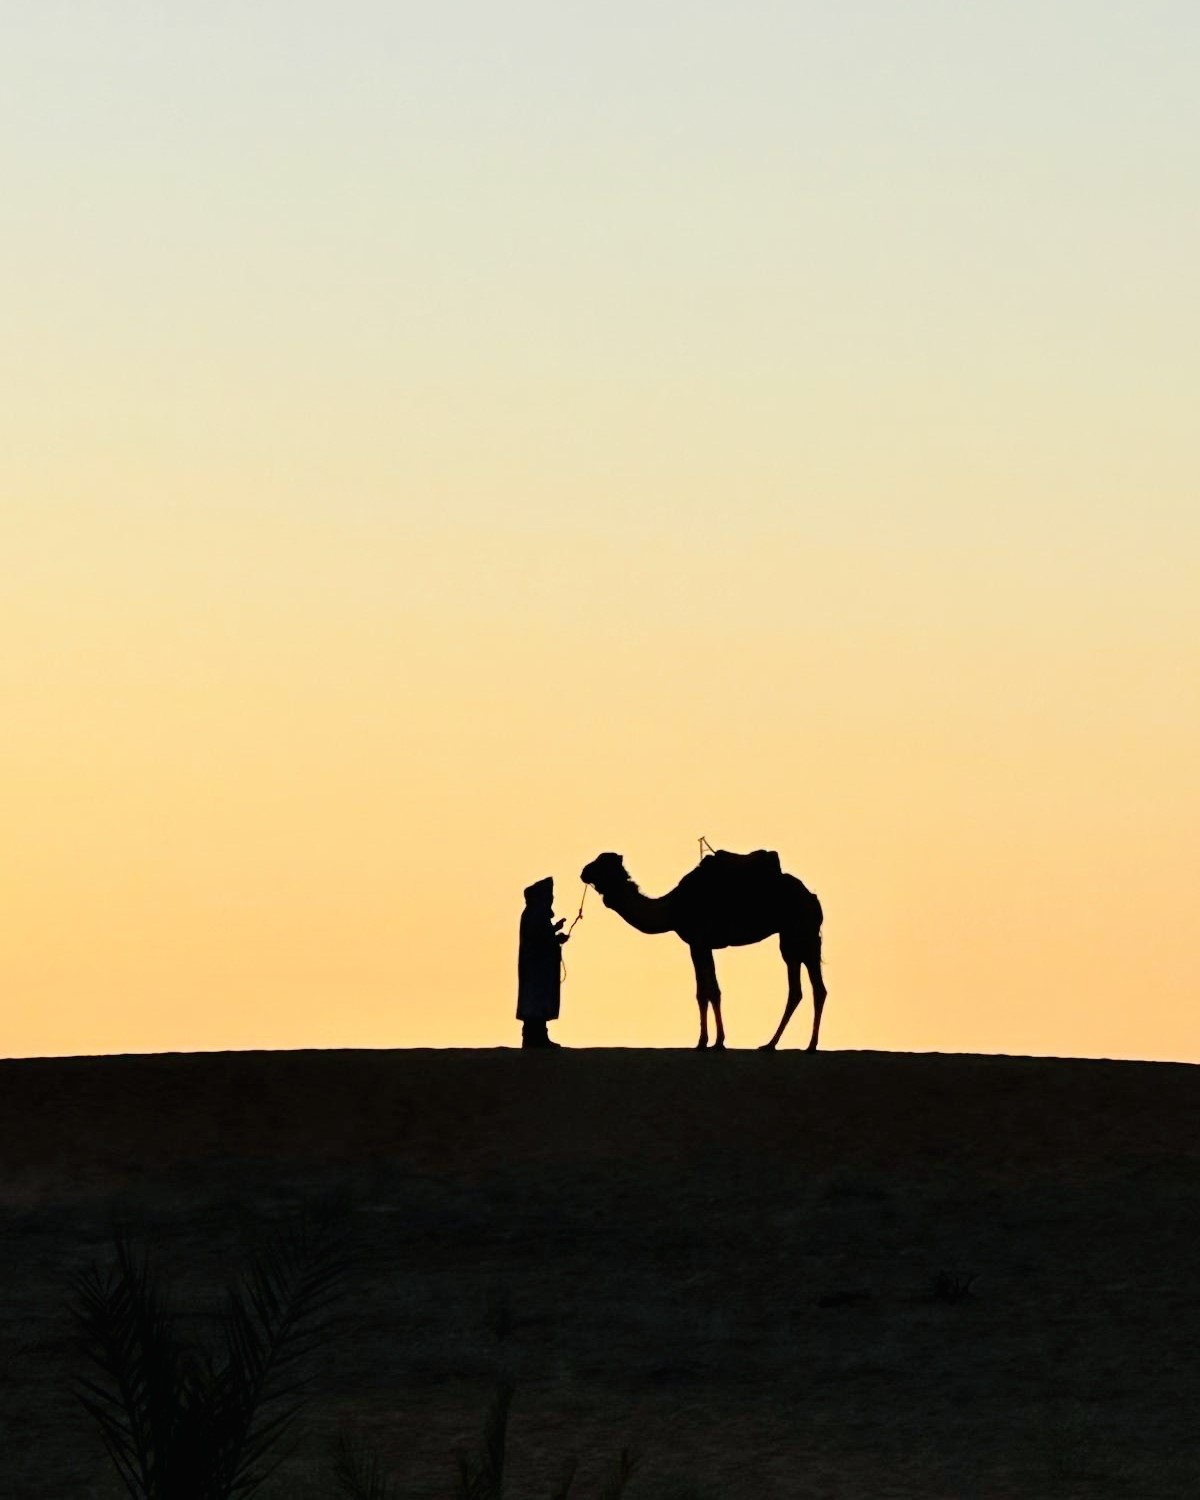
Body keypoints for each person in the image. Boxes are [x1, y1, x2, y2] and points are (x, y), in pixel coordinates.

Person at [517, 877, 568, 1048]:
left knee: (538, 1001)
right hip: (536, 970)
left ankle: (538, 1037)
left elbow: (541, 936)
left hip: (538, 969)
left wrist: (554, 931)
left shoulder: (534, 914)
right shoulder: (534, 915)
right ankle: (534, 1038)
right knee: (536, 1001)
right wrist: (556, 939)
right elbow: (538, 940)